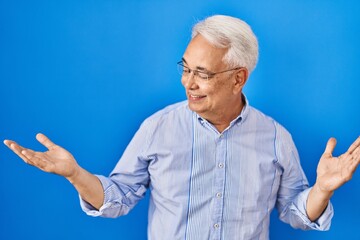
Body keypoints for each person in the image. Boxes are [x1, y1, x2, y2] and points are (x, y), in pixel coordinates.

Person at [3, 15, 360, 240]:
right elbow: (118, 199)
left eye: (202, 74)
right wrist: (75, 173)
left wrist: (323, 190)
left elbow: (295, 213)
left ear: (239, 79)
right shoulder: (158, 127)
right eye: (185, 68)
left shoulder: (276, 137)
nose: (188, 83)